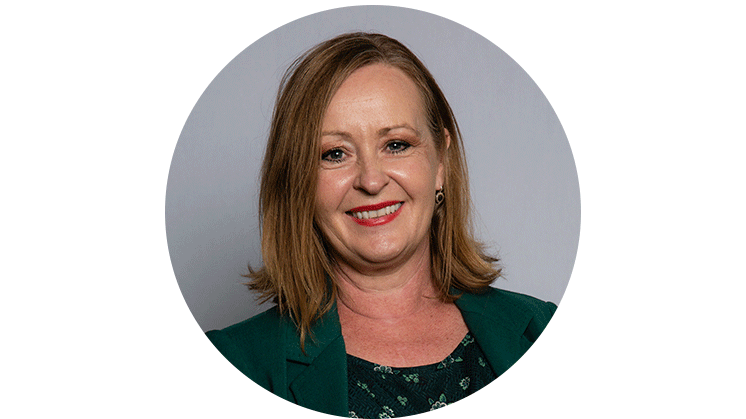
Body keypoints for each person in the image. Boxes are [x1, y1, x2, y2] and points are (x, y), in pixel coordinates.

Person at [206, 32, 557, 417]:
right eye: (334, 154)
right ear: (298, 182)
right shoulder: (232, 365)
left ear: (440, 161)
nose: (371, 181)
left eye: (396, 145)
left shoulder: (543, 330)